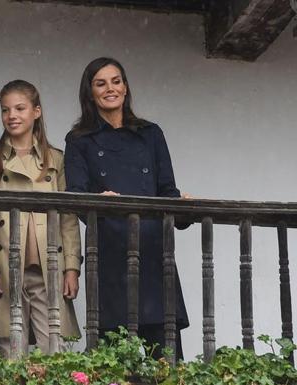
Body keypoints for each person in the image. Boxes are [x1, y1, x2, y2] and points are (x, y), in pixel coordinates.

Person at [64, 57, 189, 359]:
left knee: (167, 364)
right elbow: (76, 197)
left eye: (116, 81)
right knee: (114, 367)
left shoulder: (150, 133)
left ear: (125, 86)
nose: (111, 89)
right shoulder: (80, 140)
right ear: (89, 92)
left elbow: (167, 190)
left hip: (154, 252)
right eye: (101, 83)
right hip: (110, 254)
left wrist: (184, 210)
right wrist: (102, 203)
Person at [0, 80, 82, 356]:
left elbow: (68, 217)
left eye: (19, 108)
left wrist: (72, 267)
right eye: (5, 110)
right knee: (11, 354)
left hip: (48, 264)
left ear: (36, 111)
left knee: (55, 351)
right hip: (6, 266)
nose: (11, 116)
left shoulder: (55, 159)